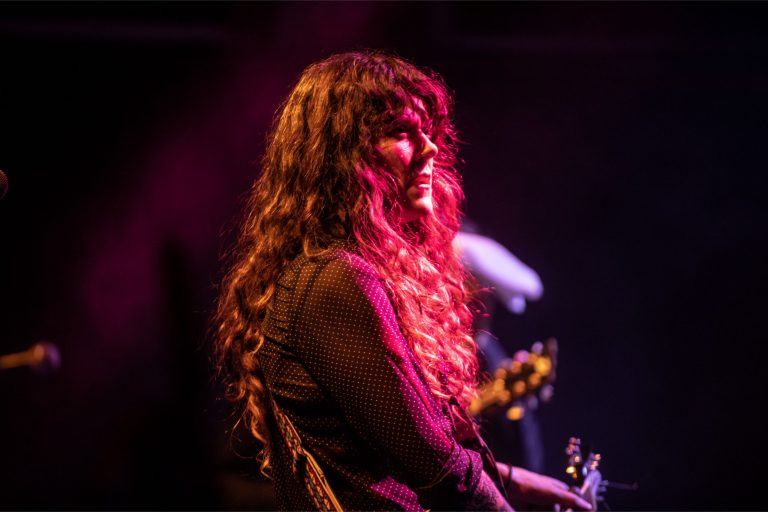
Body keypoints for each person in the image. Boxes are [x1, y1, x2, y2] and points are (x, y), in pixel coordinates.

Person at [213, 50, 591, 511]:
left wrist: (513, 481)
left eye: (427, 132)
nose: (430, 149)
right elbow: (434, 465)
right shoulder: (336, 279)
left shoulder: (343, 273)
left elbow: (408, 445)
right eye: (402, 133)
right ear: (344, 159)